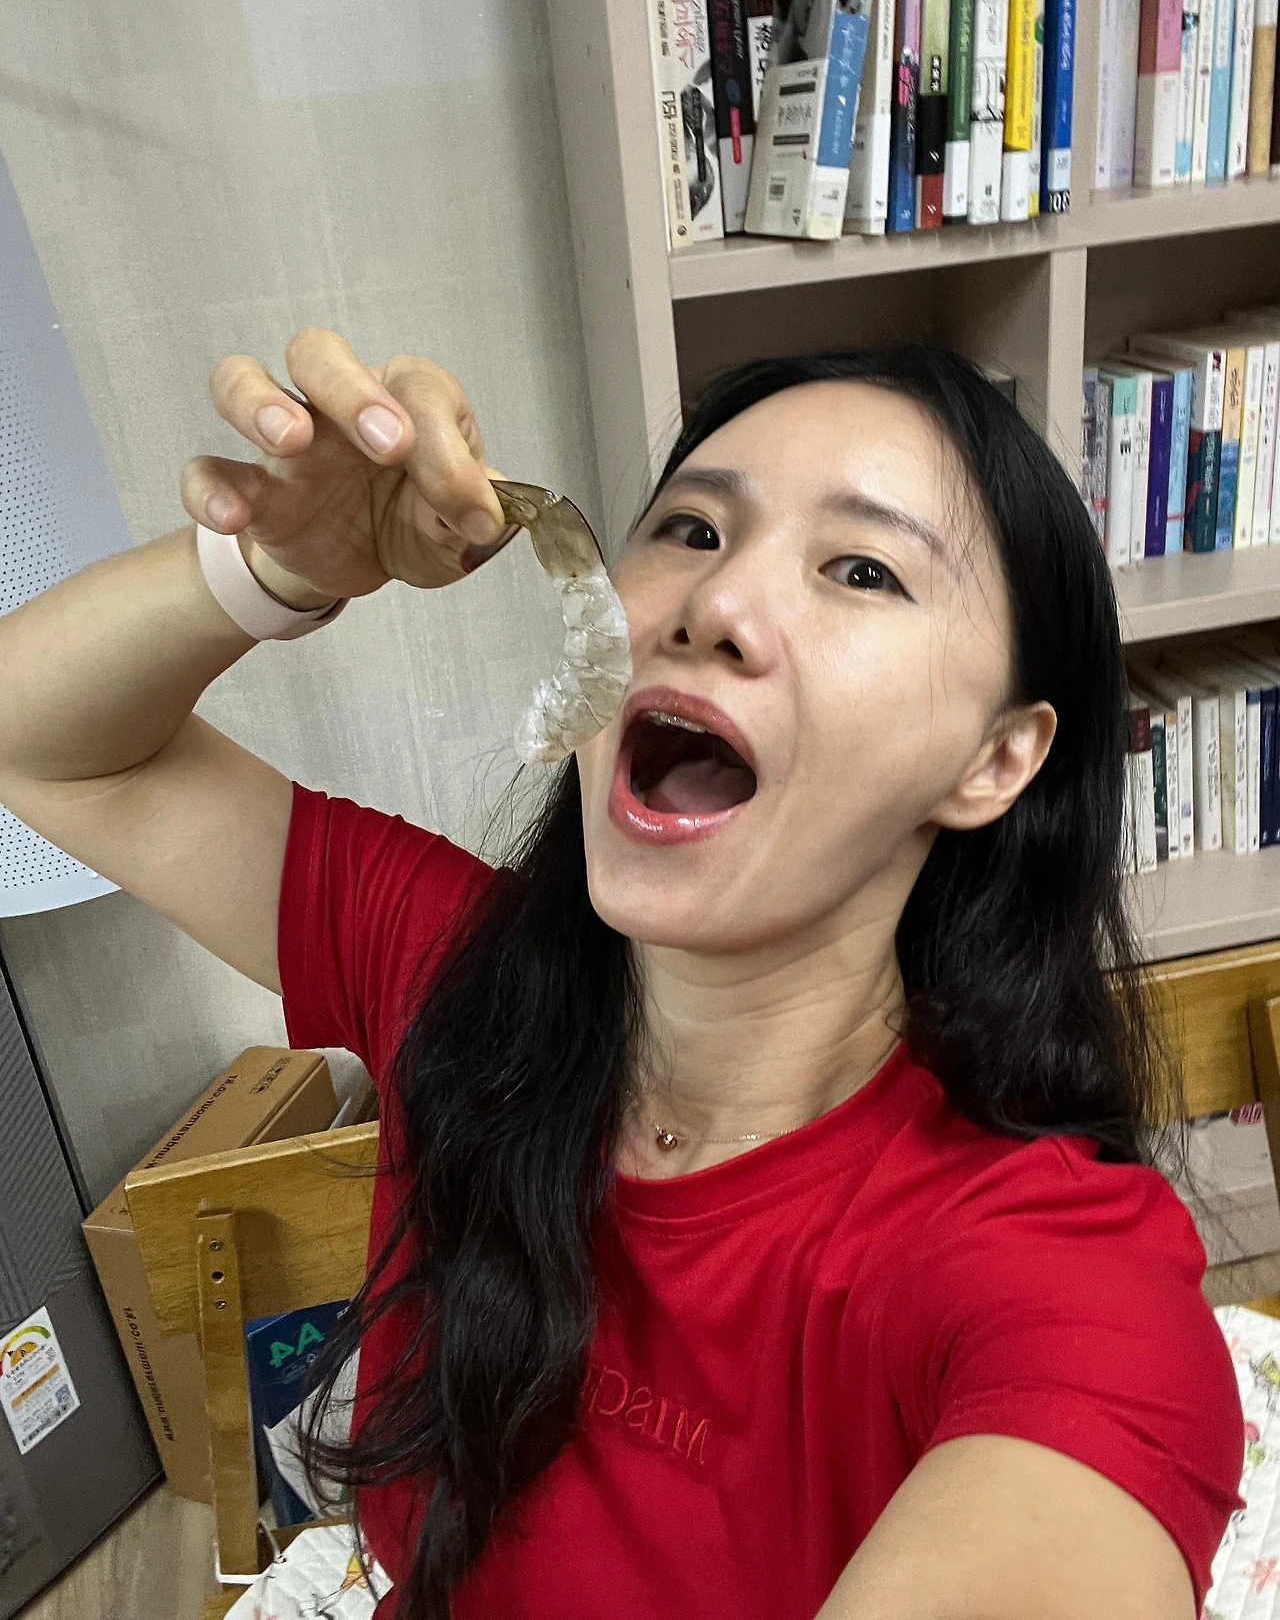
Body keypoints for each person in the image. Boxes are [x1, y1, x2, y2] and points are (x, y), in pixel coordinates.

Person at [0, 330, 1245, 1620]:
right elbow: (42, 739)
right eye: (693, 531)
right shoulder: (458, 976)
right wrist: (275, 570)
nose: (715, 604)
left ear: (995, 760)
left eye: (862, 570)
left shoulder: (1056, 1281)